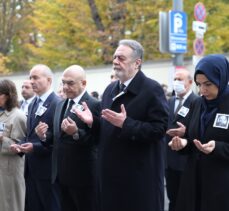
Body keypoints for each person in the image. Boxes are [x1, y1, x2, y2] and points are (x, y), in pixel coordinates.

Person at [75, 39, 169, 211]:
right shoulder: (110, 89)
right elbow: (107, 129)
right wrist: (92, 123)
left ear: (137, 63)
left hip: (137, 176)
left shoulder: (151, 89)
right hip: (110, 175)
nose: (115, 61)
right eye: (114, 57)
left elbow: (159, 129)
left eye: (121, 58)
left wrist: (127, 124)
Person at [36, 65, 100, 211]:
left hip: (83, 176)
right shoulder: (60, 104)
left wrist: (76, 133)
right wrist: (44, 136)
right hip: (61, 175)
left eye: (70, 83)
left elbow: (97, 140)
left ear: (83, 83)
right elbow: (58, 138)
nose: (65, 87)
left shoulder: (94, 105)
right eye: (63, 82)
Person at [169, 54, 229, 211]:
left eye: (208, 84)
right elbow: (192, 138)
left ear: (221, 79)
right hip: (193, 181)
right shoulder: (198, 104)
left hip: (221, 186)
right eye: (199, 84)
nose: (202, 90)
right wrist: (183, 143)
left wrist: (217, 147)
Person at [11, 64, 61, 211]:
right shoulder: (33, 103)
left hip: (47, 170)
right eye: (30, 77)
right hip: (31, 170)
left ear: (49, 80)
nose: (32, 81)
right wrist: (20, 146)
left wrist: (35, 146)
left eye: (36, 77)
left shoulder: (57, 103)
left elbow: (57, 140)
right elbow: (30, 134)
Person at [165, 68, 198, 211]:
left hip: (186, 159)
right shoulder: (170, 101)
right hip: (169, 160)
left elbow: (200, 129)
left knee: (187, 200)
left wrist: (186, 132)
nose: (176, 82)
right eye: (174, 79)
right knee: (173, 199)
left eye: (180, 79)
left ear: (190, 82)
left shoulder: (197, 101)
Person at [0, 79, 27, 211]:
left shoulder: (18, 116)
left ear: (7, 95)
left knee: (11, 205)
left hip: (10, 170)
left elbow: (21, 147)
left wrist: (2, 139)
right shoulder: (1, 114)